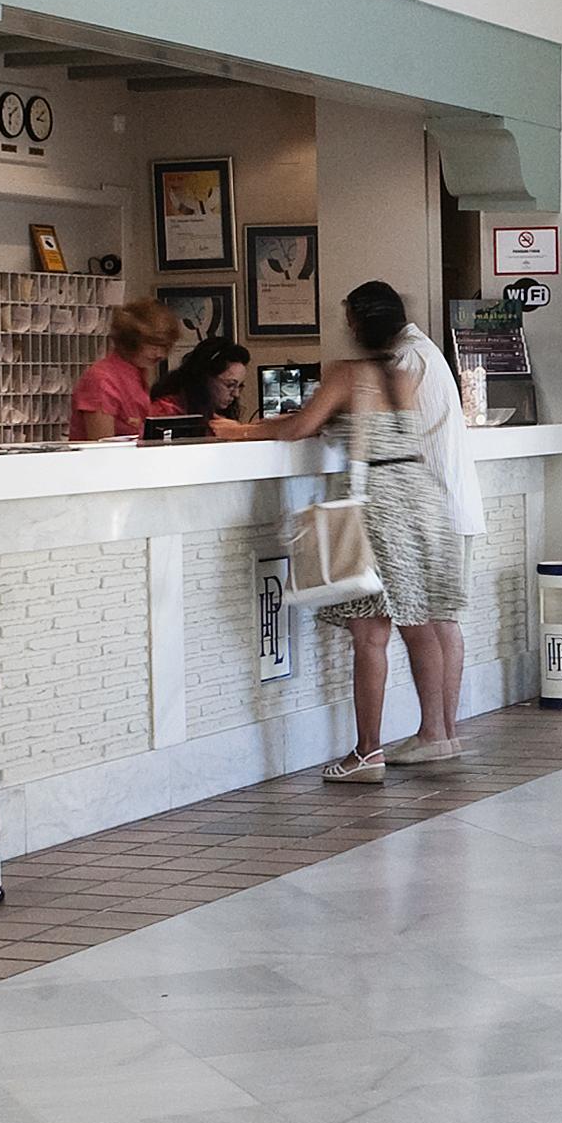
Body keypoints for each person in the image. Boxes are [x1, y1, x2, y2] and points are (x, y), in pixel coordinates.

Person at [249, 280, 480, 782]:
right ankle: (438, 733)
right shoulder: (404, 373)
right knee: (420, 626)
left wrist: (240, 431)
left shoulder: (346, 373)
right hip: (419, 498)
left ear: (356, 324)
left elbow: (298, 428)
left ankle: (367, 752)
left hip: (377, 505)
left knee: (370, 633)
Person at [67, 299, 179, 442]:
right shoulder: (102, 379)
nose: (160, 354)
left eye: (165, 347)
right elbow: (102, 444)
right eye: (153, 345)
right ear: (130, 340)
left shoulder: (137, 372)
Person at [154, 335, 260, 439]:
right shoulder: (167, 410)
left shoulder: (219, 413)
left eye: (240, 386)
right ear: (204, 379)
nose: (236, 394)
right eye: (230, 385)